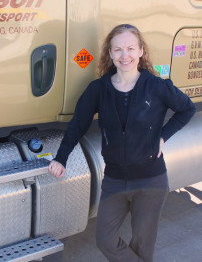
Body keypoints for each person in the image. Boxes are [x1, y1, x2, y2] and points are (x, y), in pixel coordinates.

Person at [48, 24, 196, 262]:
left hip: (151, 181)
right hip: (115, 181)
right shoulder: (98, 89)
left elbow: (186, 109)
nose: (124, 55)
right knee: (105, 240)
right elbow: (78, 125)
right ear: (110, 54)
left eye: (130, 48)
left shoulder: (157, 86)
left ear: (141, 51)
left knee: (142, 245)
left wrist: (163, 136)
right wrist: (61, 158)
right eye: (117, 50)